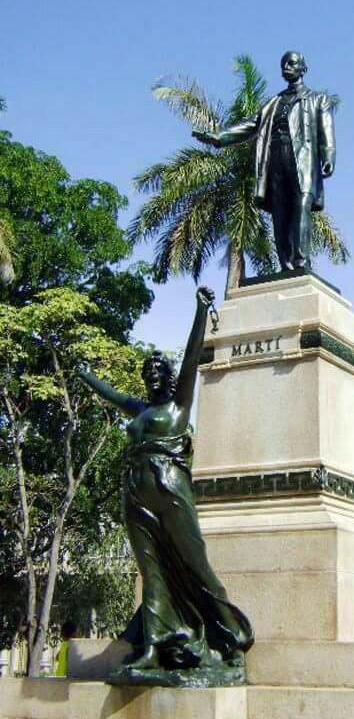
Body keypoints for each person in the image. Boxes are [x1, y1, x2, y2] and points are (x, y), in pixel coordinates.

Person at [78, 287, 253, 673]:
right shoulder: (140, 409)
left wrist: (200, 311)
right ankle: (154, 646)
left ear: (169, 378)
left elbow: (192, 356)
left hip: (170, 488)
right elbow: (111, 395)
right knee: (151, 569)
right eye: (147, 373)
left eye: (158, 372)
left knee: (195, 565)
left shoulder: (179, 404)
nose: (152, 377)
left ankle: (230, 636)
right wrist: (85, 375)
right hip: (136, 493)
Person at [193, 51, 336, 272]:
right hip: (276, 160)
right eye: (283, 64)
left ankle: (301, 262)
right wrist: (220, 137)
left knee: (301, 206)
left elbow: (326, 130)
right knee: (280, 212)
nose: (286, 67)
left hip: (303, 159)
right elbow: (251, 125)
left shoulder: (318, 99)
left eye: (291, 63)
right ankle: (285, 265)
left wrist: (328, 155)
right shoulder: (273, 103)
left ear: (303, 69)